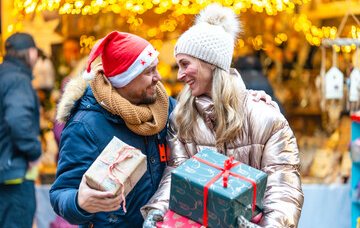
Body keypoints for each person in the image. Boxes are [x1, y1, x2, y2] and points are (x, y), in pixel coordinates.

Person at [49, 31, 276, 228]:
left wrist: (246, 102)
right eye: (148, 71)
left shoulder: (165, 108)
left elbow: (208, 114)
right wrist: (80, 202)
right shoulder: (85, 125)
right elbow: (61, 193)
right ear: (123, 78)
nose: (158, 77)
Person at [141, 3, 304, 228]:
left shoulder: (267, 119)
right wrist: (157, 209)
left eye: (185, 64)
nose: (179, 75)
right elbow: (177, 175)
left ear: (210, 62)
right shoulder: (181, 119)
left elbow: (283, 186)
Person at [0, 32, 42, 228]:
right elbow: (17, 119)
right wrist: (34, 152)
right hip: (14, 173)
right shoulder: (18, 80)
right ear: (31, 52)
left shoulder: (4, 75)